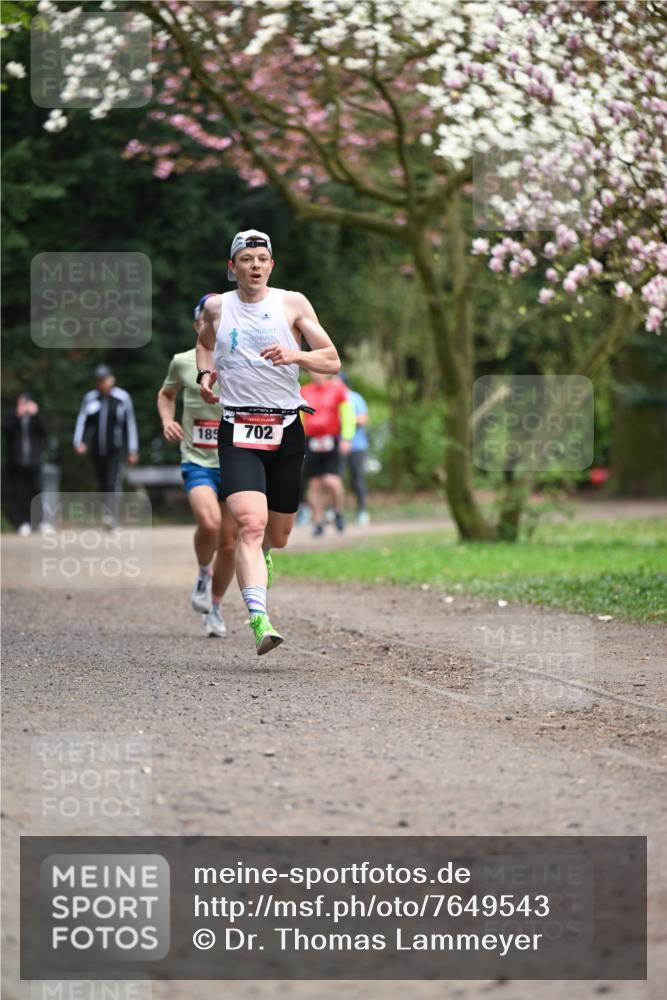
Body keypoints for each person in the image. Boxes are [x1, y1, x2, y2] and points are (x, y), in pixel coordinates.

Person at [196, 228, 341, 655]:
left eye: (262, 258)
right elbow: (204, 344)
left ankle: (264, 556)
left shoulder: (292, 304)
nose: (255, 265)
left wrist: (296, 355)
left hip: (286, 430)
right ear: (232, 267)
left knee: (276, 534)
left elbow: (331, 360)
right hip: (238, 429)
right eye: (246, 259)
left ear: (271, 265)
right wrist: (206, 375)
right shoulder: (217, 308)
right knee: (250, 524)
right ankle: (260, 619)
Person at [157, 295, 237, 637]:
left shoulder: (239, 361)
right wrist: (167, 421)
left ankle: (215, 607)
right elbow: (166, 394)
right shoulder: (182, 362)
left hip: (236, 461)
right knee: (209, 523)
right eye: (203, 321)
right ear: (198, 325)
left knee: (231, 542)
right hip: (198, 460)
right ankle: (204, 573)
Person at [73, 364, 138, 527]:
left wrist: (132, 449)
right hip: (96, 449)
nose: (102, 383)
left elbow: (130, 424)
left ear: (111, 379)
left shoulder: (122, 398)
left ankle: (113, 518)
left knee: (112, 482)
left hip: (116, 448)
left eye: (104, 379)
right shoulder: (90, 398)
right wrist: (78, 441)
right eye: (99, 380)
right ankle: (107, 515)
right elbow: (83, 421)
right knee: (103, 483)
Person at [301, 373, 355, 537]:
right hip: (311, 441)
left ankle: (338, 511)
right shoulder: (304, 391)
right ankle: (318, 521)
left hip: (331, 440)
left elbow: (347, 414)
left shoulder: (337, 390)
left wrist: (347, 437)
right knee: (315, 484)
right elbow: (299, 416)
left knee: (332, 481)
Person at [3, 392, 48, 534]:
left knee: (37, 492)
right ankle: (22, 523)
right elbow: (6, 430)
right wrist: (18, 416)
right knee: (19, 494)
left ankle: (40, 522)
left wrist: (36, 414)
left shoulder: (36, 417)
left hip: (34, 462)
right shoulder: (12, 416)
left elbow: (44, 430)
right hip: (16, 463)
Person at [340, 373, 371, 525]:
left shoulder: (355, 398)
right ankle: (336, 512)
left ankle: (362, 510)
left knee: (357, 479)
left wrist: (346, 419)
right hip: (337, 446)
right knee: (334, 480)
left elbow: (363, 419)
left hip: (357, 446)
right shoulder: (333, 397)